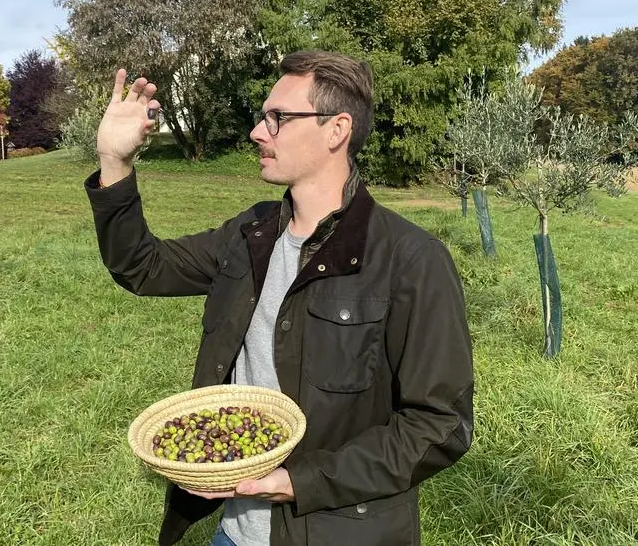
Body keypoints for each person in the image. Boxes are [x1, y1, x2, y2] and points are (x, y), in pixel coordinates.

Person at [84, 51, 475, 546]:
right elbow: (142, 267)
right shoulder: (251, 234)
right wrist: (113, 161)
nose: (257, 131)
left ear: (337, 130)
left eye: (279, 118)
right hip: (235, 531)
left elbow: (440, 426)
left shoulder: (411, 260)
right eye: (262, 116)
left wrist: (299, 483)